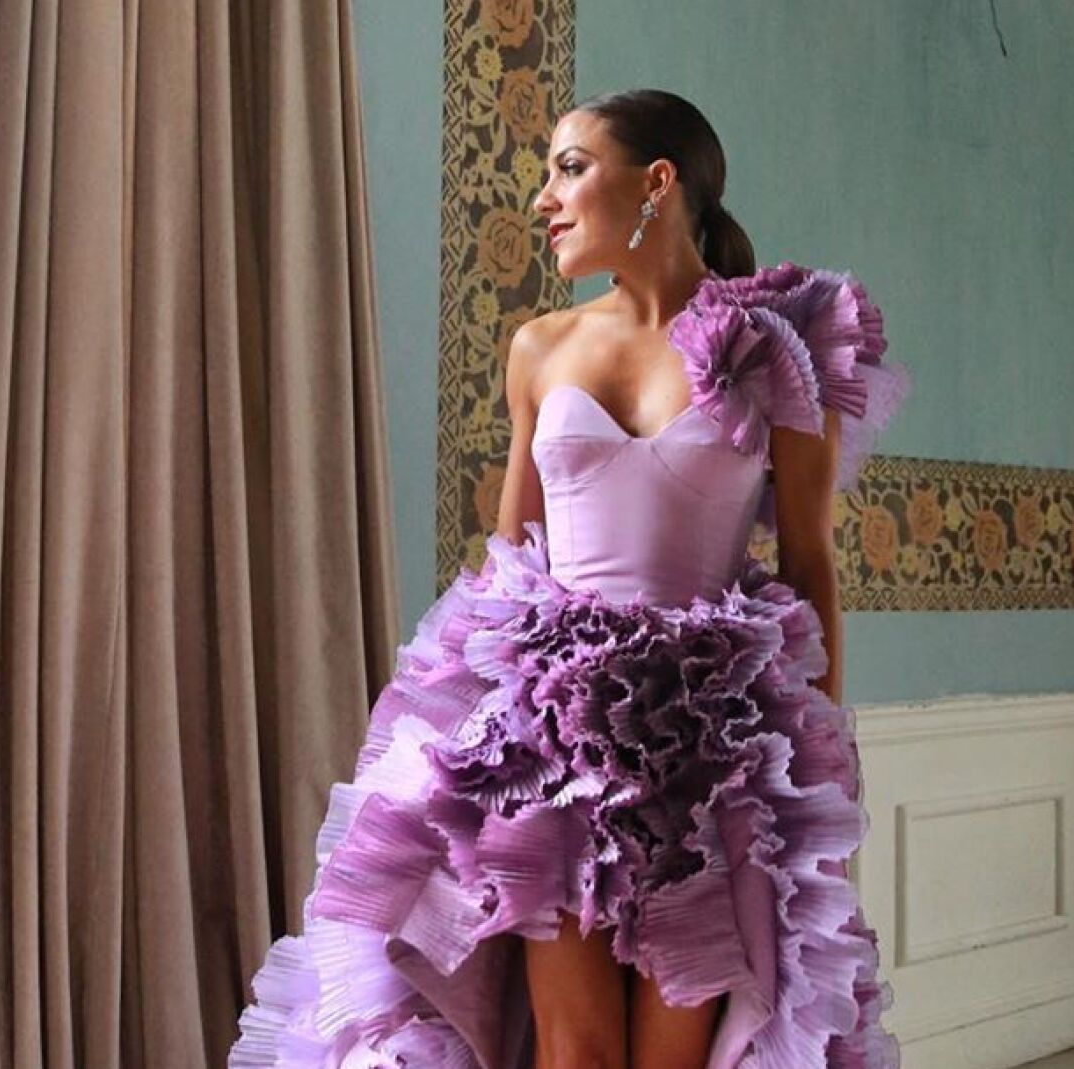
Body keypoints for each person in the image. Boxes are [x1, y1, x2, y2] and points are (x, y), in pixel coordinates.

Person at [231, 88, 906, 1069]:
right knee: (574, 1050)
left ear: (656, 182)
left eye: (570, 167)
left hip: (708, 745)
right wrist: (464, 737)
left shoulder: (774, 353)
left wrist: (816, 767)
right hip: (551, 743)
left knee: (679, 1051)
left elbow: (808, 564)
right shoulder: (540, 347)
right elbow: (509, 563)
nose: (544, 196)